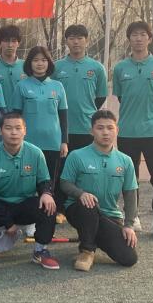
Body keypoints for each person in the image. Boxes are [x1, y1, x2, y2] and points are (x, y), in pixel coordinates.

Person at [112, 20, 153, 240]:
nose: (138, 39)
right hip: (127, 131)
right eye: (134, 35)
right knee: (130, 177)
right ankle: (133, 215)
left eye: (142, 34)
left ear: (149, 38)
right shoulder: (120, 68)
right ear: (129, 39)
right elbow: (121, 97)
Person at [0, 112, 60, 270]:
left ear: (25, 130)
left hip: (24, 204)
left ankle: (40, 250)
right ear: (0, 131)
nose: (13, 132)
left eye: (18, 128)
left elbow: (44, 181)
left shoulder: (36, 153)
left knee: (49, 206)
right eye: (8, 128)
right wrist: (8, 223)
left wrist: (47, 193)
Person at [60, 110, 139, 271]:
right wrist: (81, 194)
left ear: (117, 130)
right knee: (89, 205)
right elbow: (64, 183)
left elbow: (130, 194)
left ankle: (92, 236)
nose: (105, 132)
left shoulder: (125, 161)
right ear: (92, 131)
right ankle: (87, 250)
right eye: (100, 128)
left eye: (110, 128)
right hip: (80, 211)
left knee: (129, 258)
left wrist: (129, 225)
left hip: (109, 215)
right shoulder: (77, 156)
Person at [12, 46, 69, 199]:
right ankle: (29, 209)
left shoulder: (58, 86)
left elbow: (63, 116)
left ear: (49, 63)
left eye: (43, 60)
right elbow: (16, 116)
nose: (40, 64)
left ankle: (50, 209)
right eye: (35, 60)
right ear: (29, 63)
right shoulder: (21, 86)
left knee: (50, 181)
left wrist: (64, 141)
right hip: (28, 142)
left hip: (53, 142)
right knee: (28, 179)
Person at [55, 24, 108, 152]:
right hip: (60, 128)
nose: (76, 42)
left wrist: (87, 110)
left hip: (87, 127)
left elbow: (101, 97)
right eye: (72, 38)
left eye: (80, 38)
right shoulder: (56, 67)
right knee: (62, 164)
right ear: (66, 41)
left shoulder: (97, 68)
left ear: (87, 40)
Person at [0, 24, 26, 104]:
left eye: (14, 41)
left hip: (22, 112)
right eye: (6, 40)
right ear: (0, 43)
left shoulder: (26, 66)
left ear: (19, 43)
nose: (10, 45)